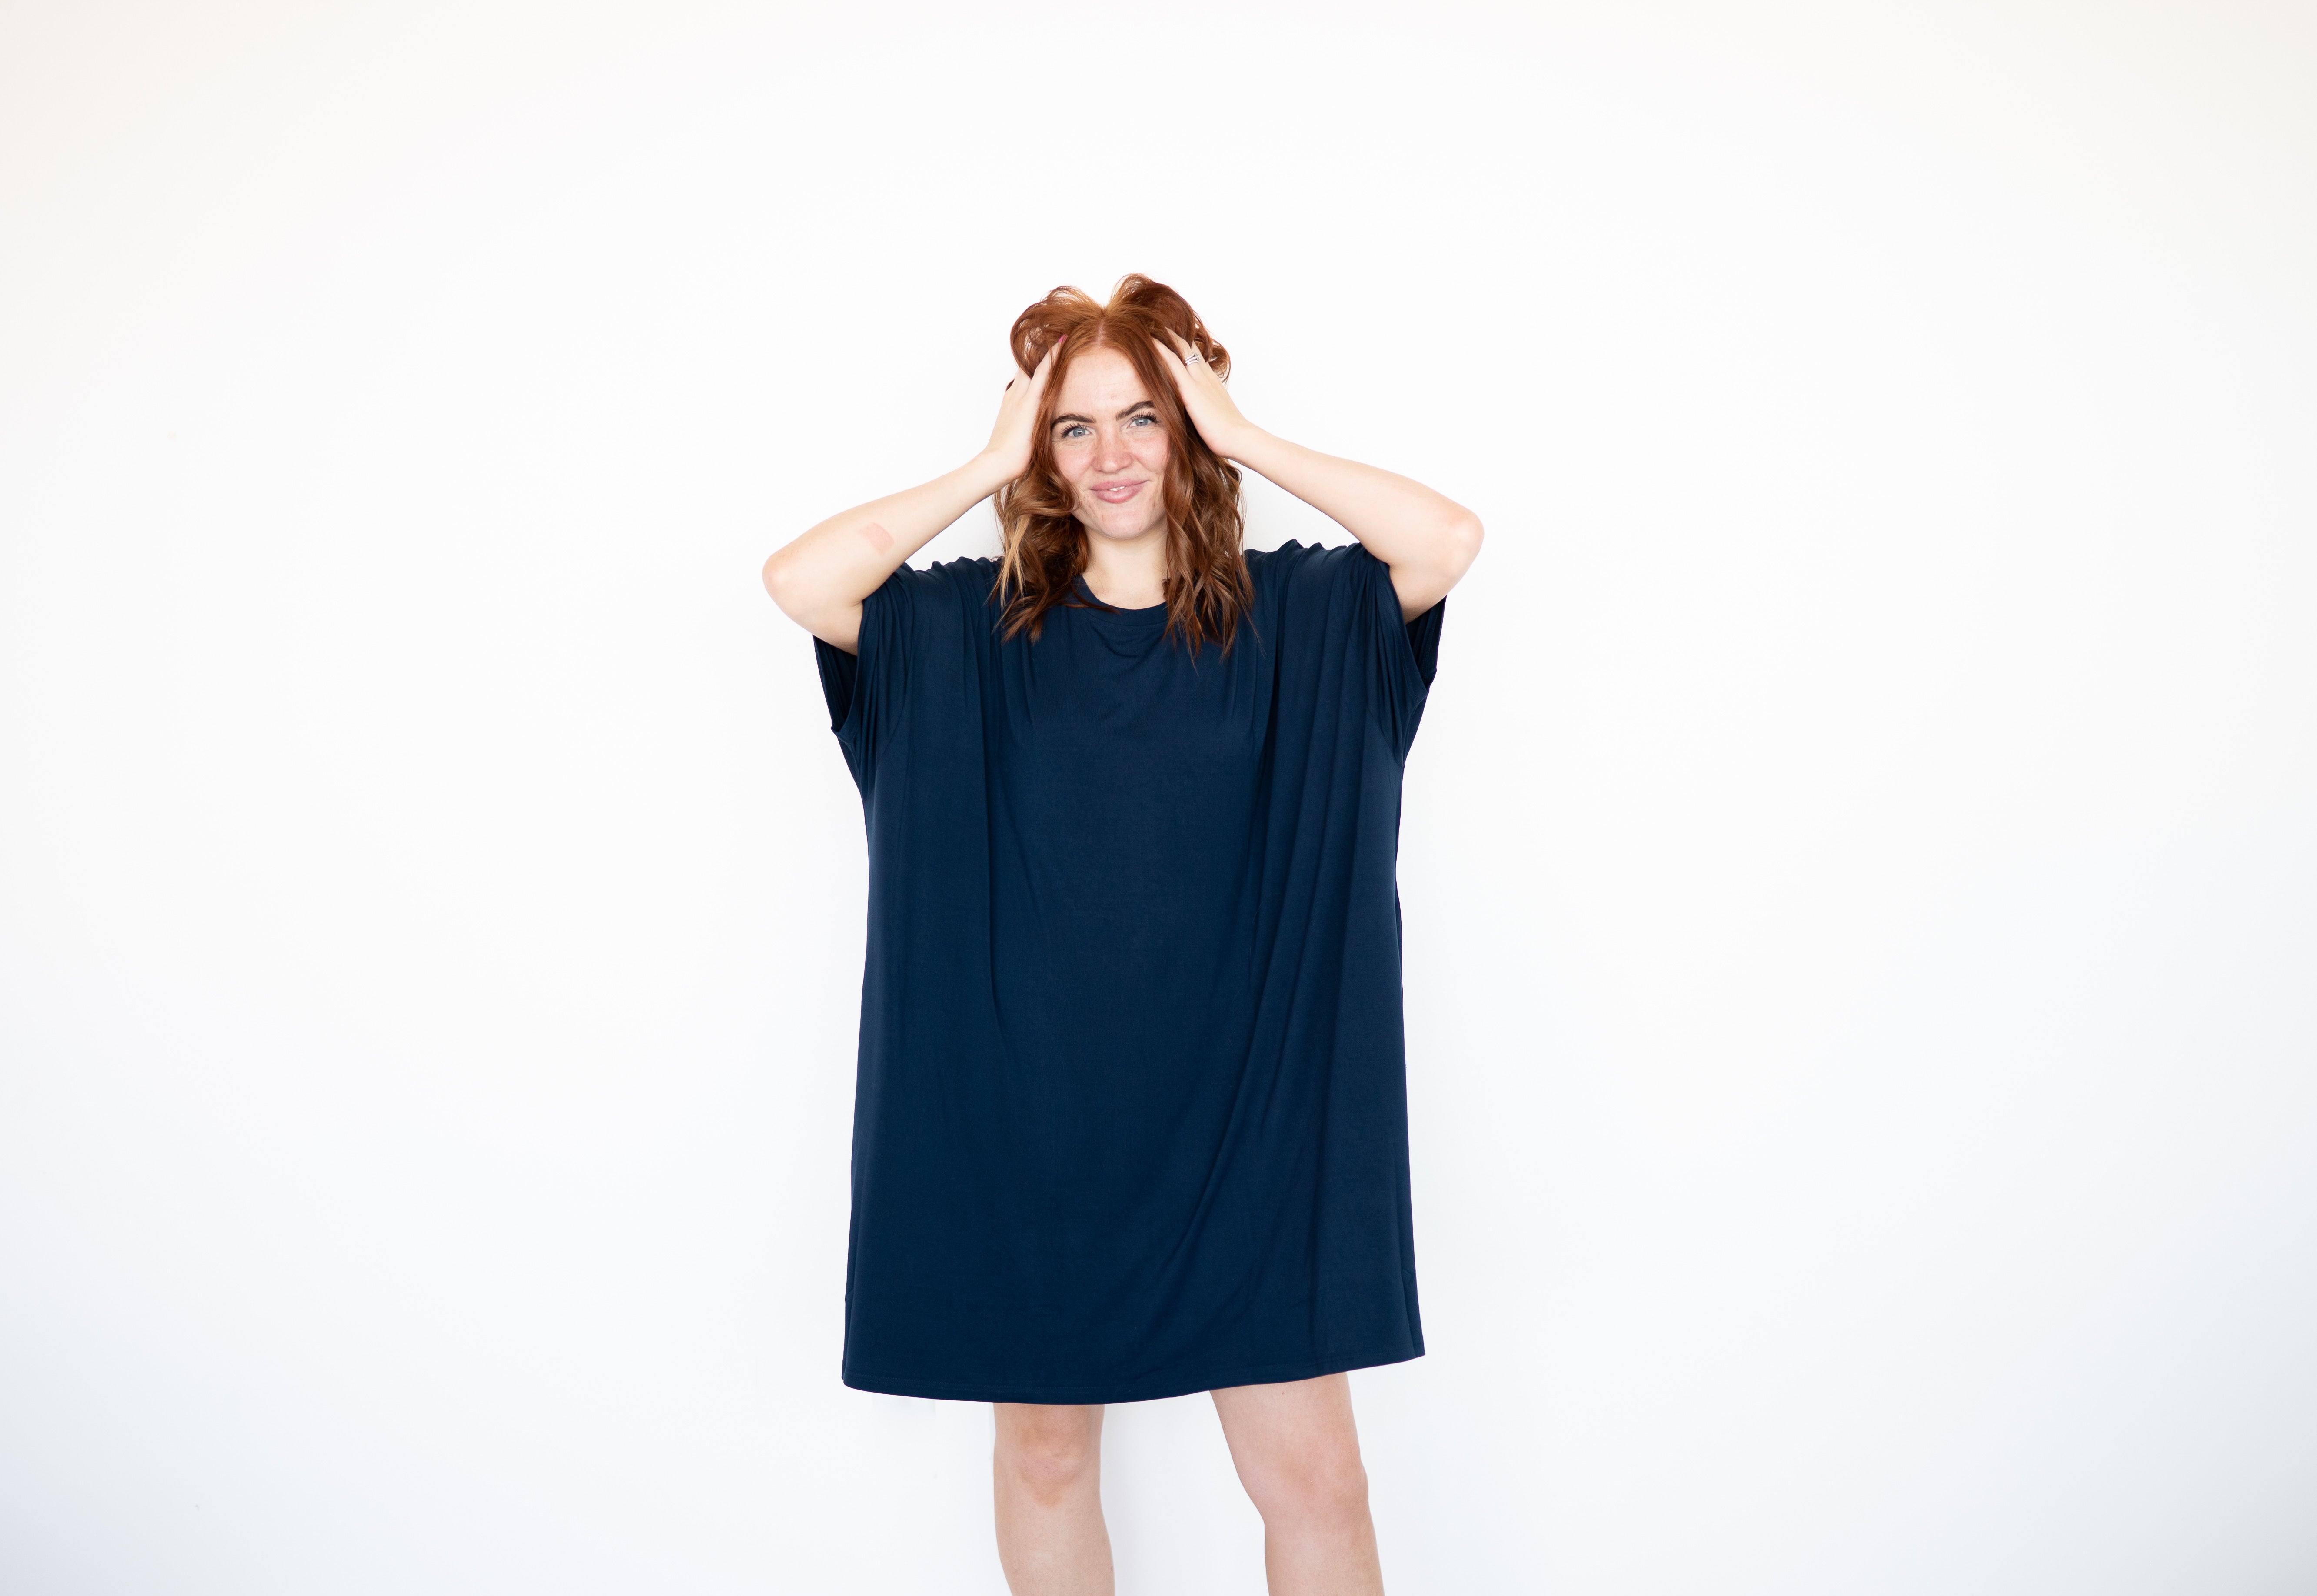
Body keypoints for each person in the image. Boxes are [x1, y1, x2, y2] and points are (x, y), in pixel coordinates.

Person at [760, 275, 1482, 1596]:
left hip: (1252, 1125)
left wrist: (1247, 434)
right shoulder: (960, 635)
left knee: (1315, 1478)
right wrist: (984, 458)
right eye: (1074, 427)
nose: (1110, 456)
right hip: (1027, 1129)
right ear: (1040, 449)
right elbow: (801, 579)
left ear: (1189, 430)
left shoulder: (1303, 620)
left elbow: (1442, 538)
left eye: (1144, 419)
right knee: (1043, 1460)